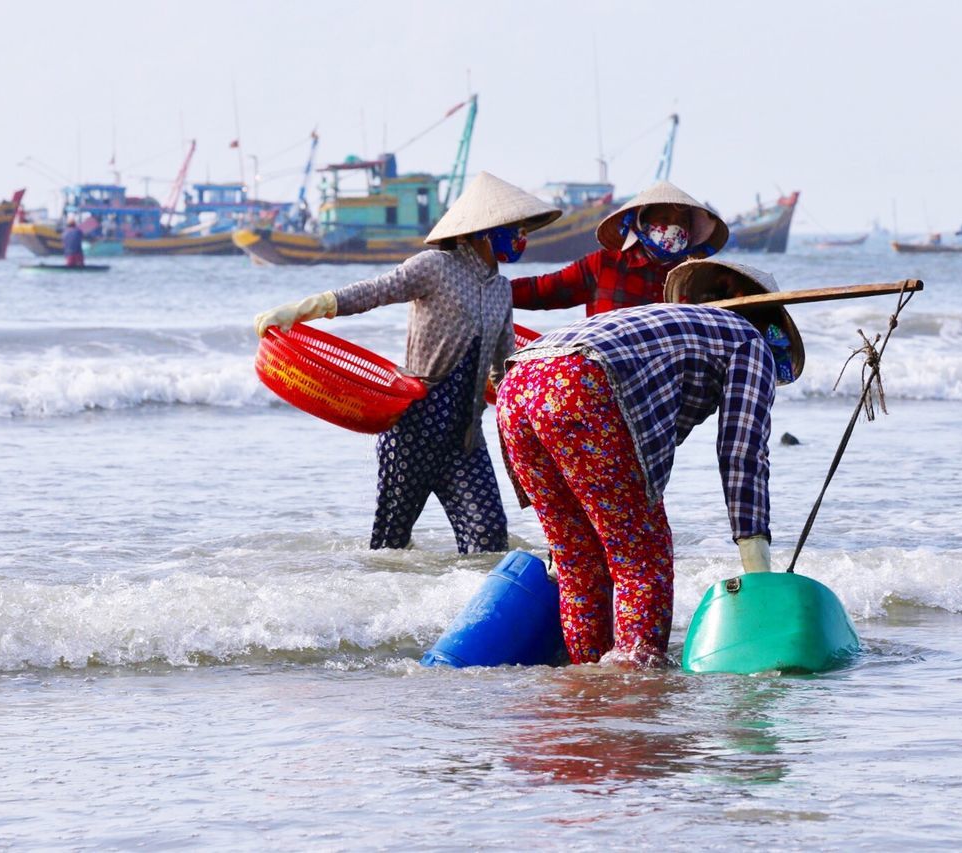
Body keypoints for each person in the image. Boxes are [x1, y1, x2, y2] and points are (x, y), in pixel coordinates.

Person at [495, 258, 804, 667]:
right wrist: (758, 571)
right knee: (641, 555)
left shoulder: (669, 323)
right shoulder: (748, 341)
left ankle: (586, 678)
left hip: (517, 384)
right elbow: (742, 453)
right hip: (579, 383)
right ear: (769, 324)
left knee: (577, 560)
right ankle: (636, 679)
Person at [253, 173, 561, 554]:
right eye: (514, 229)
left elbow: (504, 371)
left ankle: (457, 603)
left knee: (488, 540)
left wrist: (535, 414)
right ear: (486, 231)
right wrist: (306, 309)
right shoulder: (435, 266)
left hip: (465, 439)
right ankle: (385, 607)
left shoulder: (500, 290)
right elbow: (377, 291)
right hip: (414, 428)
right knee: (390, 547)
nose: (521, 238)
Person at [511, 180, 728, 316]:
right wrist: (491, 292)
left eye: (683, 222)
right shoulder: (603, 265)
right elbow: (543, 290)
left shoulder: (692, 279)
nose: (674, 227)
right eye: (664, 218)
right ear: (641, 224)